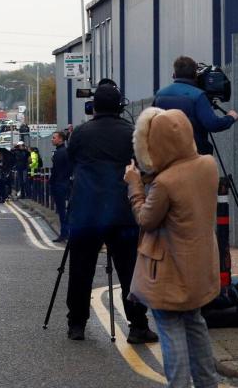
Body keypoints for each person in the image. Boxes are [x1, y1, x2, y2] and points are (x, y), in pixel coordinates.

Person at [126, 108, 220, 387]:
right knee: (195, 322)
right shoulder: (208, 165)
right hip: (199, 264)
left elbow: (146, 220)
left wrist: (134, 186)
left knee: (169, 327)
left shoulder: (165, 183)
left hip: (169, 269)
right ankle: (207, 383)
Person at [64, 82, 158, 344]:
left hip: (86, 212)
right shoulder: (131, 133)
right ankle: (138, 326)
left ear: (94, 106)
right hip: (122, 212)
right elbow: (144, 166)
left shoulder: (80, 133)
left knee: (80, 270)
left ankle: (77, 324)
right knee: (129, 271)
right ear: (120, 106)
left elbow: (72, 161)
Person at [153, 55, 238, 155]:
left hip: (165, 155)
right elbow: (212, 124)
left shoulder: (160, 95)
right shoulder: (198, 96)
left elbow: (149, 124)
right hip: (193, 155)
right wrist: (230, 117)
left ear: (174, 74)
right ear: (195, 75)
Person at [49, 130, 71, 242]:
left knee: (62, 210)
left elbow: (56, 171)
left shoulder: (59, 153)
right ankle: (65, 233)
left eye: (54, 137)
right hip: (65, 182)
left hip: (59, 184)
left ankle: (64, 233)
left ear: (61, 139)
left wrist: (51, 182)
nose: (52, 139)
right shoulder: (65, 151)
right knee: (64, 210)